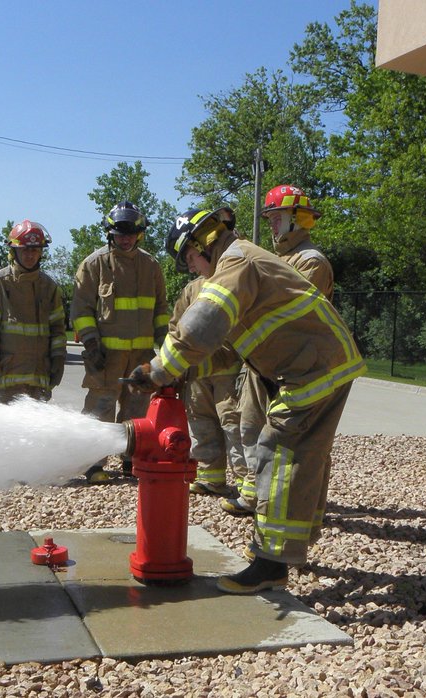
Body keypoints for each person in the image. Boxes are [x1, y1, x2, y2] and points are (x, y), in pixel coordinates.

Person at [129, 207, 365, 595]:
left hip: (312, 369)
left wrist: (160, 368)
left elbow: (202, 324)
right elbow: (227, 350)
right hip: (315, 364)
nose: (191, 269)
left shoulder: (237, 260)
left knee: (280, 449)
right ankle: (290, 547)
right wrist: (181, 372)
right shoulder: (243, 262)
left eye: (188, 258)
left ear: (203, 241)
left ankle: (271, 565)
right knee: (304, 455)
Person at [222, 184, 337, 517]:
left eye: (276, 218)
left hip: (298, 368)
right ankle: (257, 497)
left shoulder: (312, 261)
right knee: (252, 427)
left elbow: (291, 316)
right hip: (267, 364)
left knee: (303, 443)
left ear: (297, 219)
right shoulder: (283, 258)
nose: (272, 225)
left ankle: (307, 508)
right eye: (269, 219)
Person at [70, 201, 169, 482]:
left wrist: (163, 349)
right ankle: (94, 464)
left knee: (136, 412)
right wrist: (91, 344)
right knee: (100, 409)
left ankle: (131, 461)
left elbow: (161, 311)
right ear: (109, 234)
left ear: (140, 234)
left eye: (130, 233)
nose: (124, 239)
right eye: (119, 234)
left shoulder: (151, 266)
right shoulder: (94, 265)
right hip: (105, 357)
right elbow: (81, 310)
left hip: (140, 357)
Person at [0, 220, 66, 403]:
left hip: (38, 380)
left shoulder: (49, 287)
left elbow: (58, 330)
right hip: (5, 379)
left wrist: (58, 359)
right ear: (13, 251)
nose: (30, 255)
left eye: (35, 250)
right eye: (25, 250)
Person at [172, 275, 246, 498]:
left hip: (228, 367)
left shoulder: (234, 280)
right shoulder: (192, 288)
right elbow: (176, 325)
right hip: (197, 369)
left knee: (233, 423)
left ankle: (246, 483)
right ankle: (210, 478)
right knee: (200, 420)